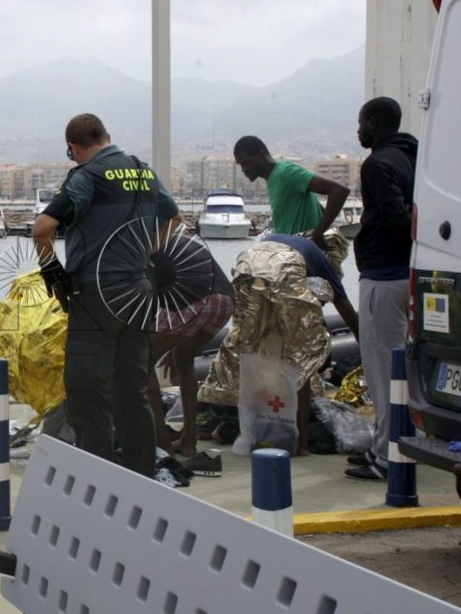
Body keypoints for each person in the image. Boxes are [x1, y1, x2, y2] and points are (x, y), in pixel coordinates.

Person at [32, 113, 179, 478]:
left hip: (96, 295)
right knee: (134, 392)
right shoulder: (143, 171)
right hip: (139, 293)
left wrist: (51, 269)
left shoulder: (87, 177)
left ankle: (98, 484)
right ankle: (141, 480)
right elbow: (173, 218)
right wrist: (147, 253)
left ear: (74, 147)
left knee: (87, 393)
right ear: (106, 136)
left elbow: (43, 228)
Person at [346, 96, 417, 481]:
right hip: (407, 275)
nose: (357, 130)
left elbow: (395, 215)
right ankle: (385, 445)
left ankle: (387, 459)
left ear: (373, 122)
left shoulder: (377, 164)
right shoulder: (410, 157)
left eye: (360, 122)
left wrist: (368, 238)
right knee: (402, 368)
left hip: (383, 277)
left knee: (382, 370)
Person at [262, 232, 359, 456]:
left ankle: (263, 431)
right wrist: (365, 343)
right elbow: (345, 308)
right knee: (301, 364)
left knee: (262, 355)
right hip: (281, 270)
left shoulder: (292, 242)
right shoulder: (323, 263)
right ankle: (300, 442)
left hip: (254, 266)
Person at [147, 242, 234, 457]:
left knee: (143, 361)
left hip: (193, 301)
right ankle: (189, 440)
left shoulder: (142, 248)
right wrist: (169, 345)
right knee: (184, 360)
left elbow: (146, 298)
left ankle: (163, 444)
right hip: (225, 300)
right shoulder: (178, 241)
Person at [234, 135, 350, 248]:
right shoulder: (272, 179)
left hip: (307, 256)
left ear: (260, 155)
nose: (243, 169)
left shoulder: (286, 172)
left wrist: (319, 233)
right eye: (241, 165)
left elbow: (339, 191)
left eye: (246, 162)